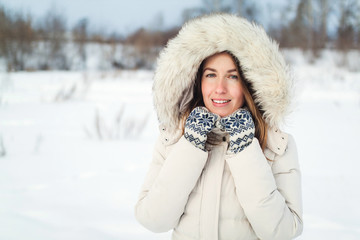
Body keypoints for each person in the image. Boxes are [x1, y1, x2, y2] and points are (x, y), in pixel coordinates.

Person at [135, 13, 303, 240]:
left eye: (232, 77)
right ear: (197, 81)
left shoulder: (277, 145)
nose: (220, 88)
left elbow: (282, 232)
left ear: (249, 84)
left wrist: (245, 149)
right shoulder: (173, 139)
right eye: (211, 75)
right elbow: (153, 219)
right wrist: (191, 145)